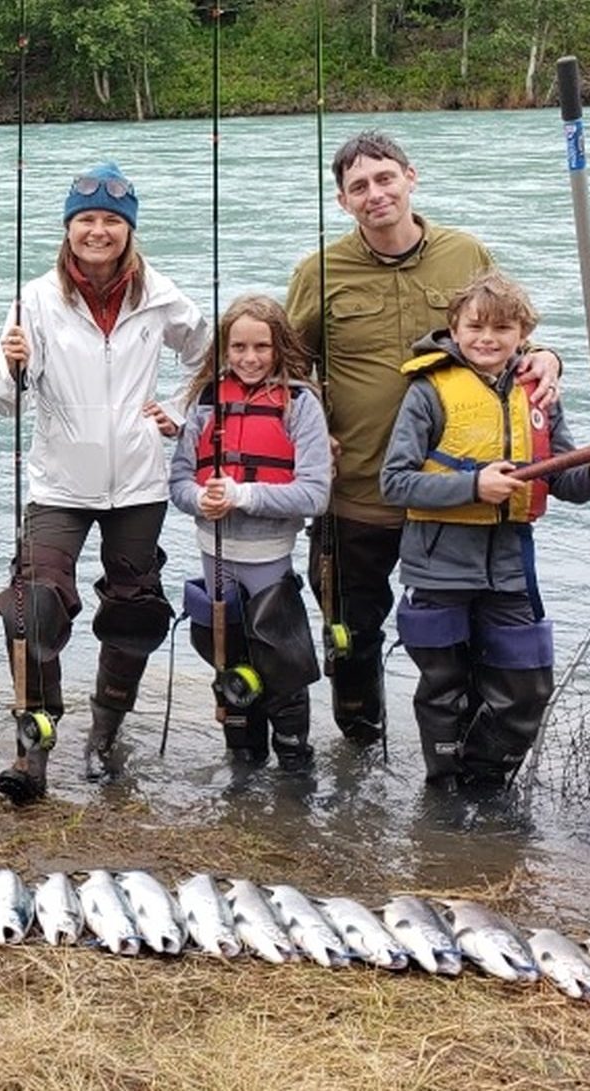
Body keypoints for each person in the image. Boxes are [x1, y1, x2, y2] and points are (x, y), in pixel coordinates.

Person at [287, 131, 561, 749]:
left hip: (456, 502)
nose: (375, 194)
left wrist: (550, 357)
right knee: (350, 635)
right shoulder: (318, 272)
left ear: (412, 177)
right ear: (342, 200)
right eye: (359, 186)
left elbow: (504, 331)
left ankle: (459, 760)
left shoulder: (464, 253)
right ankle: (360, 752)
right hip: (355, 495)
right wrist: (309, 433)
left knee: (456, 644)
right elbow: (287, 365)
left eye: (385, 179)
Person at [0, 162, 209, 803]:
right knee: (30, 607)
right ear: (68, 228)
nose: (98, 231)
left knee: (134, 610)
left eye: (112, 220)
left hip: (139, 481)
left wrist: (179, 410)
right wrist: (11, 367)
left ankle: (105, 734)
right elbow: (4, 401)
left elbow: (206, 353)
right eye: (86, 219)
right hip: (59, 480)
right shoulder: (34, 299)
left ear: (128, 229)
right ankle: (34, 745)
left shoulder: (158, 295)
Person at [379, 271, 590, 793]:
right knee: (445, 687)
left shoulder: (538, 393)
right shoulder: (427, 393)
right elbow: (395, 482)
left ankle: (487, 783)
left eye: (502, 328)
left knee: (526, 688)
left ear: (523, 335)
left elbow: (562, 479)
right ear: (455, 327)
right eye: (475, 327)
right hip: (437, 565)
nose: (487, 339)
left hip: (511, 567)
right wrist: (473, 486)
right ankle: (443, 792)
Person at [167, 294, 332, 771]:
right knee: (229, 661)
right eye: (238, 347)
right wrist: (200, 499)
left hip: (271, 560)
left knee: (280, 663)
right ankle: (242, 754)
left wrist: (243, 496)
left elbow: (314, 494)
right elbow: (178, 482)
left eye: (262, 346)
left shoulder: (300, 405)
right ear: (225, 348)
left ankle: (295, 759)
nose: (250, 357)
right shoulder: (205, 402)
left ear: (280, 347)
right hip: (213, 554)